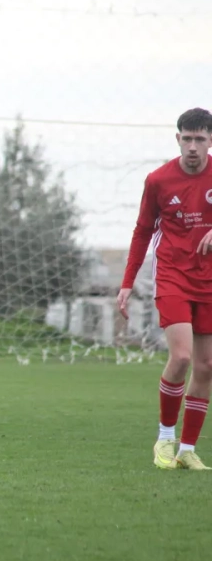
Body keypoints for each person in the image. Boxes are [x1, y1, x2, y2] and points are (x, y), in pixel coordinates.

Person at [118, 107, 212, 471]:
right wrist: (127, 282)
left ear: (210, 141)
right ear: (178, 139)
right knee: (183, 357)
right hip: (173, 276)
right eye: (187, 139)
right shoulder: (158, 180)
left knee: (206, 365)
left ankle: (187, 449)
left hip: (209, 281)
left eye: (199, 139)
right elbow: (142, 230)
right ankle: (165, 438)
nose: (193, 146)